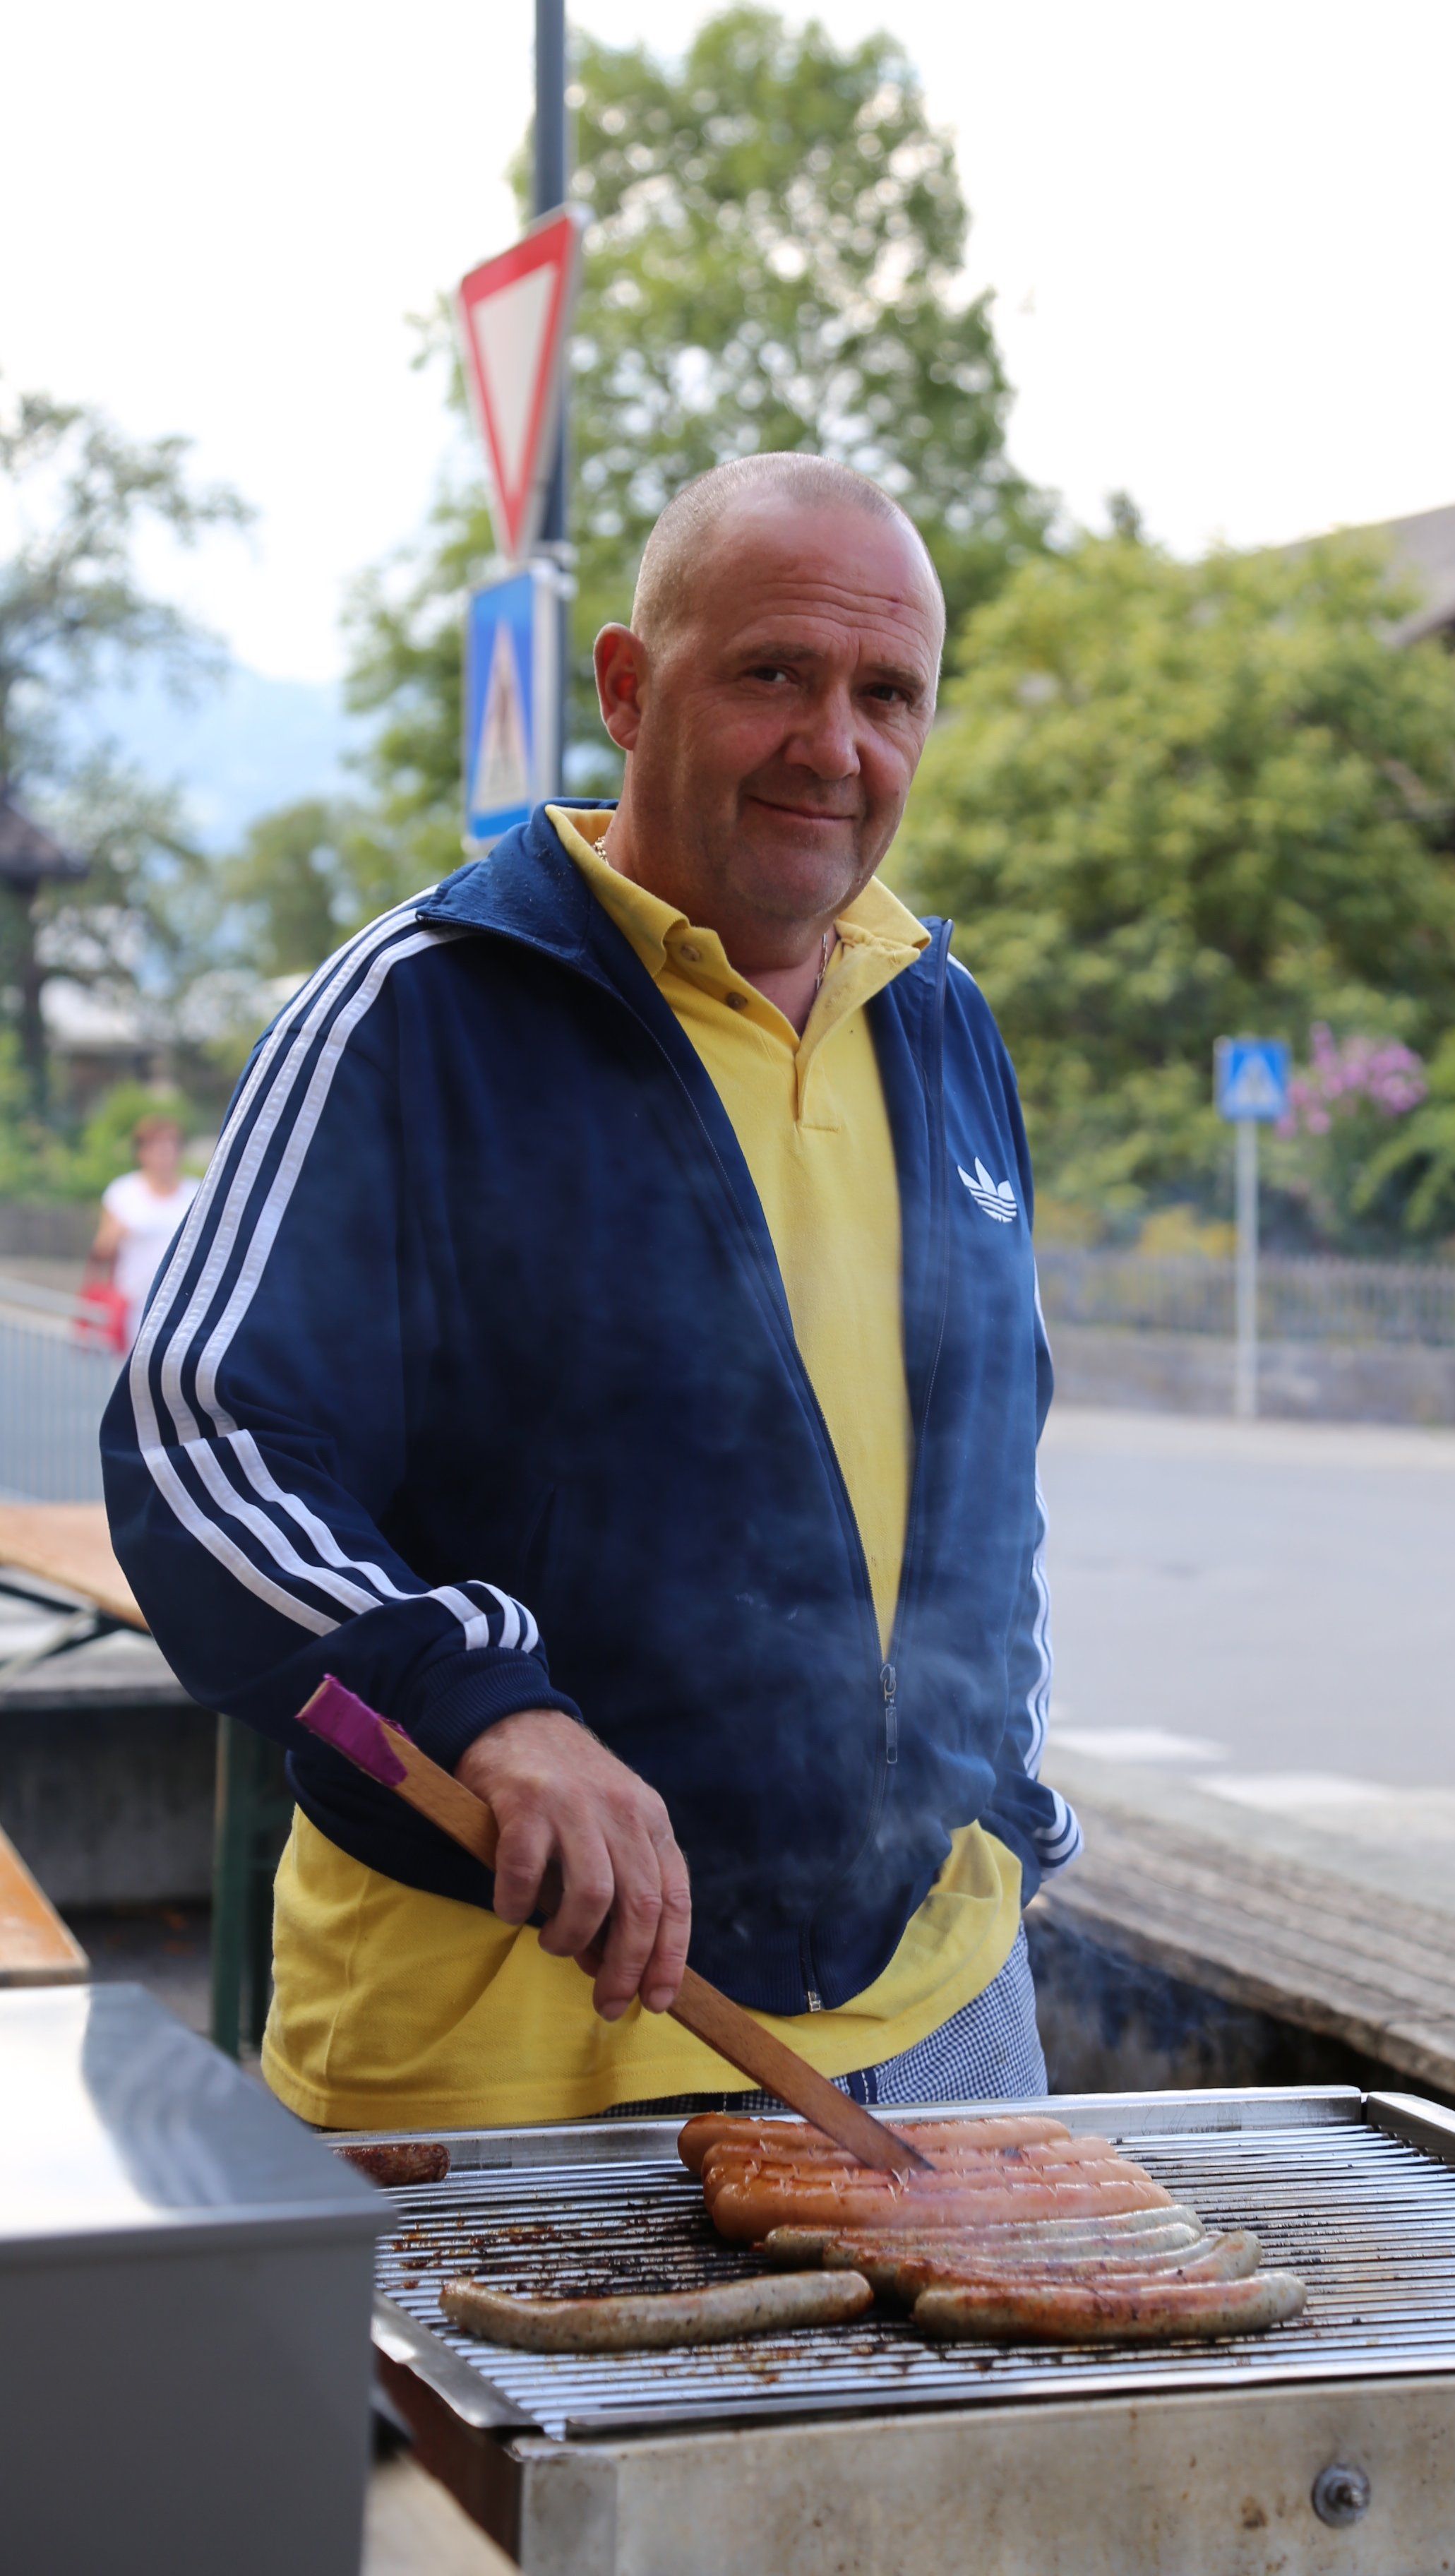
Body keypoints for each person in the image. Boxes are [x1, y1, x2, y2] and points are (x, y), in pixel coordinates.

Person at [102, 454, 1082, 2131]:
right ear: (627, 690)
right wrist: (481, 1706)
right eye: (772, 673)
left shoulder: (941, 1018)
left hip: (945, 2011)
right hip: (512, 2032)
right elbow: (204, 1441)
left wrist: (1001, 1778)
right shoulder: (420, 1013)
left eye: (886, 694)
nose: (833, 746)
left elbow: (993, 1464)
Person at [90, 1114, 198, 1348]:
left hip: (183, 1301)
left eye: (170, 1146)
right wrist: (115, 1234)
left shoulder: (196, 1193)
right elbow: (102, 1249)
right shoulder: (123, 1192)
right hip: (135, 1301)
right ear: (142, 1153)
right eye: (156, 1148)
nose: (164, 1154)